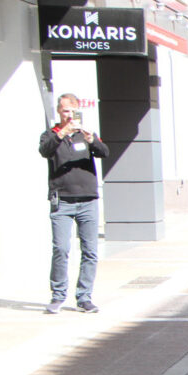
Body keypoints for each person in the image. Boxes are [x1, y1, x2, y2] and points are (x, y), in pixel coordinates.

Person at [38, 92, 109, 314]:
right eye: (64, 111)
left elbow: (104, 152)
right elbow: (44, 150)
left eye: (72, 111)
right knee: (61, 248)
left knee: (90, 250)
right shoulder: (51, 135)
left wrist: (91, 140)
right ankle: (58, 295)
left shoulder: (85, 135)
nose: (68, 116)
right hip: (63, 202)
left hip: (87, 200)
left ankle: (84, 297)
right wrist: (62, 134)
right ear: (59, 112)